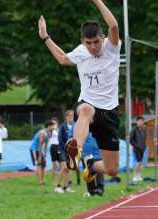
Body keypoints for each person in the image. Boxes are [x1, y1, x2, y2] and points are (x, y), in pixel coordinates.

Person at [38, 0, 121, 183]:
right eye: (88, 43)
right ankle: (75, 151)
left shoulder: (111, 47)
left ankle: (90, 165)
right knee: (86, 110)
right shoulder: (81, 52)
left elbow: (113, 25)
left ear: (102, 38)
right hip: (88, 104)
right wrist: (45, 36)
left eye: (96, 42)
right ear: (83, 42)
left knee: (112, 169)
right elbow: (61, 58)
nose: (93, 47)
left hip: (109, 111)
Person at [54, 110, 76, 193]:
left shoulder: (75, 126)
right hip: (62, 150)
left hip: (71, 150)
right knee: (63, 168)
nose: (71, 117)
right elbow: (60, 139)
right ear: (66, 117)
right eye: (69, 116)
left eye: (72, 116)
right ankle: (57, 186)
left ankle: (66, 187)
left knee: (69, 169)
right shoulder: (63, 127)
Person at [29, 120, 55, 185]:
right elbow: (40, 145)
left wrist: (45, 154)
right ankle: (40, 182)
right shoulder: (42, 132)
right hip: (34, 149)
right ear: (48, 126)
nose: (54, 127)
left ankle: (42, 181)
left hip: (39, 150)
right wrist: (40, 156)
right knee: (39, 164)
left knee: (43, 165)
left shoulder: (49, 133)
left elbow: (46, 145)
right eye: (52, 126)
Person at [129, 116, 147, 182]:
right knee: (138, 162)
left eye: (142, 121)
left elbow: (145, 139)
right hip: (136, 149)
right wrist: (136, 146)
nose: (141, 122)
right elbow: (131, 140)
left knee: (140, 163)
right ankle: (134, 176)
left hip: (142, 148)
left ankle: (138, 176)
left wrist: (144, 146)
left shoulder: (143, 129)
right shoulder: (134, 130)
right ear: (137, 122)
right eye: (139, 121)